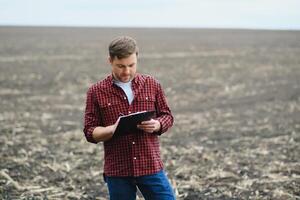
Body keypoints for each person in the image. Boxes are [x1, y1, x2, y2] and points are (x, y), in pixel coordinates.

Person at [83, 36, 175, 200]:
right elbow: (90, 132)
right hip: (118, 170)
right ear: (110, 61)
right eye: (120, 66)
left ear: (137, 59)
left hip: (150, 165)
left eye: (131, 65)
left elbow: (167, 116)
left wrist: (157, 125)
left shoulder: (151, 84)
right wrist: (112, 129)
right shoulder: (96, 92)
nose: (126, 71)